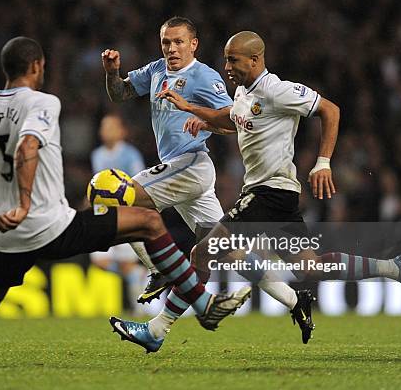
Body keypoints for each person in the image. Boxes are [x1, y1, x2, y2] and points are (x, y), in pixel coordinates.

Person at [0, 37, 252, 366]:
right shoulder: (43, 103)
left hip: (6, 237)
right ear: (37, 67)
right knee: (148, 223)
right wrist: (26, 202)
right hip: (49, 225)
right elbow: (28, 144)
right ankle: (201, 302)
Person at [115, 31, 401, 350]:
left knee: (202, 253)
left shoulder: (278, 90)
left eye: (233, 59)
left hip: (266, 195)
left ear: (254, 60)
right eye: (225, 58)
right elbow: (231, 117)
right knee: (312, 266)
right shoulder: (243, 92)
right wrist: (199, 115)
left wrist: (323, 162)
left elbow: (330, 110)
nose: (226, 66)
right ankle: (396, 267)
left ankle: (156, 331)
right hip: (279, 197)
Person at [104, 19, 320, 350]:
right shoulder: (155, 71)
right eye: (166, 42)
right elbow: (119, 93)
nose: (171, 49)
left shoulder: (205, 77)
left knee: (120, 197)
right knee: (228, 253)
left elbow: (235, 120)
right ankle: (295, 300)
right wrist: (112, 71)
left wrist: (200, 118)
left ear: (194, 44)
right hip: (185, 174)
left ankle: (161, 269)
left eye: (178, 42)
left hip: (190, 164)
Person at [89, 112, 148, 313]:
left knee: (126, 264)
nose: (106, 131)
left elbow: (137, 184)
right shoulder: (96, 154)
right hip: (103, 215)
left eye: (112, 127)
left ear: (122, 131)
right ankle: (137, 276)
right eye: (104, 127)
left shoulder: (130, 154)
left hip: (125, 215)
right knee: (99, 261)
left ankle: (139, 309)